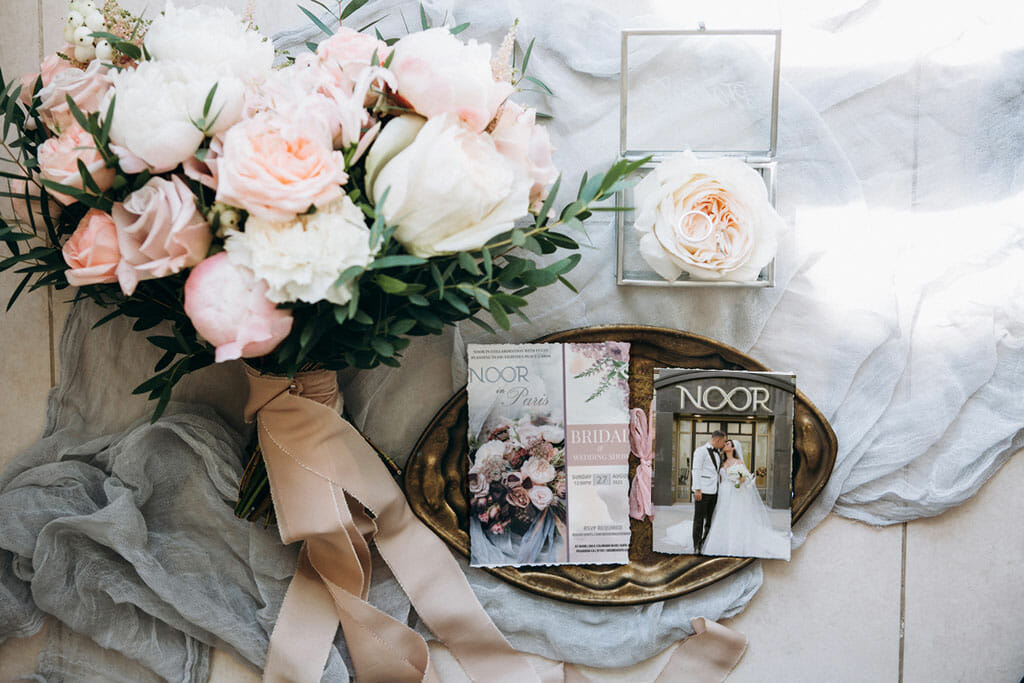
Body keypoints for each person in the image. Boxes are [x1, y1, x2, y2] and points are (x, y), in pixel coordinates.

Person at [700, 439, 791, 560]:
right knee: (722, 516)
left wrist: (741, 480)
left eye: (727, 444)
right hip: (723, 493)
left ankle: (734, 545)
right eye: (725, 443)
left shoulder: (739, 462)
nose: (725, 445)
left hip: (735, 493)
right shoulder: (721, 462)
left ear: (733, 448)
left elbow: (746, 478)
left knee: (734, 517)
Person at [690, 430, 725, 554]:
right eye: (723, 442)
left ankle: (705, 542)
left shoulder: (718, 453)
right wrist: (697, 489)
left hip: (714, 492)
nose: (723, 445)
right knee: (699, 520)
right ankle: (696, 546)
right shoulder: (700, 451)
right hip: (702, 492)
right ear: (717, 440)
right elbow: (696, 469)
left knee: (710, 520)